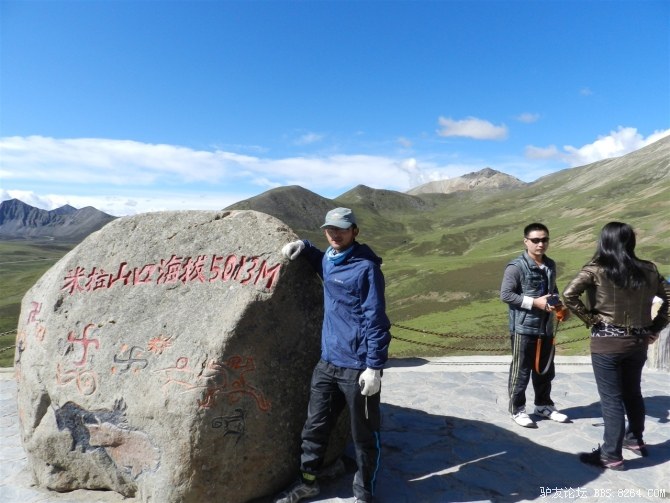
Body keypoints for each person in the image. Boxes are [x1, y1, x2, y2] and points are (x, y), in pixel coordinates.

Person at [275, 207, 391, 503]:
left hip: (358, 368)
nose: (335, 234)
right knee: (314, 428)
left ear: (354, 231)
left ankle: (364, 494)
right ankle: (308, 482)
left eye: (341, 229)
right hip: (328, 363)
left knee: (364, 436)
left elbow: (377, 320)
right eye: (330, 229)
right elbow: (322, 264)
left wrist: (374, 367)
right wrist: (305, 247)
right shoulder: (329, 258)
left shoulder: (366, 268)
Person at [562, 221, 669, 470]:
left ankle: (611, 455)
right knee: (633, 392)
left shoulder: (595, 269)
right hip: (638, 342)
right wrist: (654, 328)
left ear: (604, 241)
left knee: (611, 399)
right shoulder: (649, 269)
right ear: (631, 242)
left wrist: (591, 320)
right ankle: (635, 440)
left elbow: (569, 294)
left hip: (607, 342)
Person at [500, 223, 570, 428]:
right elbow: (506, 295)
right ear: (526, 241)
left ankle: (543, 405)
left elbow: (552, 290)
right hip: (523, 328)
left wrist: (559, 307)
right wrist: (534, 302)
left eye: (544, 239)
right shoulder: (516, 267)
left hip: (546, 327)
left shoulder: (550, 264)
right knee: (521, 371)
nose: (541, 244)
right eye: (536, 240)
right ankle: (517, 410)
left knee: (545, 370)